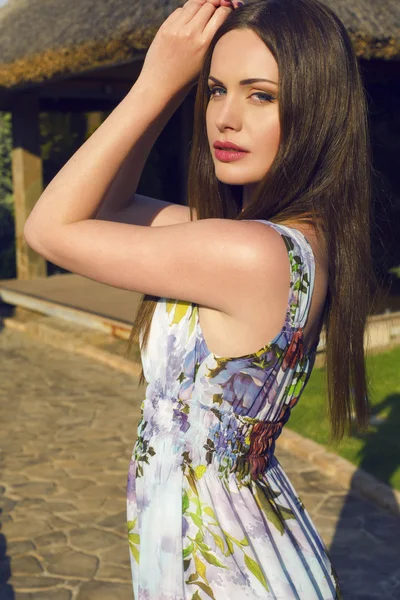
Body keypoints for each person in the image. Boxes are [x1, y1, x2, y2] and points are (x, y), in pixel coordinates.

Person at [23, 0, 375, 597]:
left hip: (224, 570)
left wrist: (154, 84)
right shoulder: (270, 242)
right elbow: (105, 210)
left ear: (317, 109)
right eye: (213, 90)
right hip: (229, 545)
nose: (225, 118)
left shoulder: (246, 255)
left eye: (260, 94)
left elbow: (47, 228)